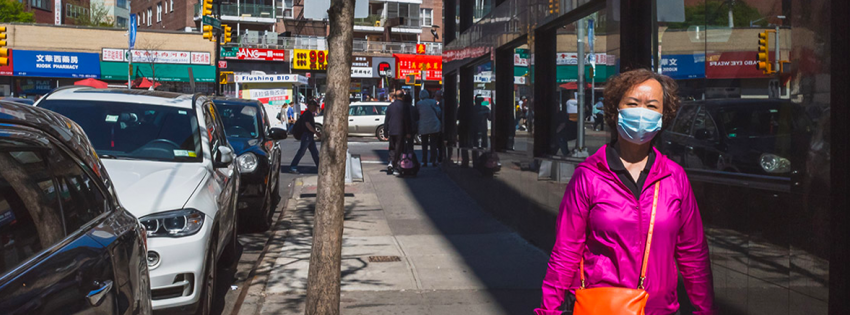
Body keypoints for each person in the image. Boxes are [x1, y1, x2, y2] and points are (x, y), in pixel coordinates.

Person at [535, 69, 715, 315]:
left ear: (664, 115)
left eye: (652, 106)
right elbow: (566, 250)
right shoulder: (589, 175)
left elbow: (693, 253)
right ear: (615, 109)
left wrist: (704, 309)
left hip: (660, 309)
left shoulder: (674, 178)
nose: (642, 112)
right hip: (601, 307)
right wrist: (549, 310)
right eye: (632, 103)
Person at [384, 90, 412, 175]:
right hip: (401, 130)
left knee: (392, 147)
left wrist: (386, 132)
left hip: (392, 130)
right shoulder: (405, 106)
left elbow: (386, 120)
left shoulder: (390, 106)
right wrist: (408, 132)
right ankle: (396, 166)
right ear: (402, 96)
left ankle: (390, 162)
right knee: (399, 149)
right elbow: (407, 120)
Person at [289, 101, 321, 174]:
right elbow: (307, 124)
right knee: (301, 152)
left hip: (309, 136)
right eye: (315, 106)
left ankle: (320, 167)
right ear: (310, 106)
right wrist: (315, 132)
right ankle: (293, 167)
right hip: (307, 135)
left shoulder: (309, 114)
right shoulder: (307, 114)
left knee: (314, 152)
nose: (316, 108)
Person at [416, 89, 441, 167]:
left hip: (423, 126)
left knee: (424, 144)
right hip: (434, 125)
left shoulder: (418, 104)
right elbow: (439, 112)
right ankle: (434, 160)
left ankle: (424, 161)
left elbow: (417, 115)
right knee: (433, 144)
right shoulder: (433, 102)